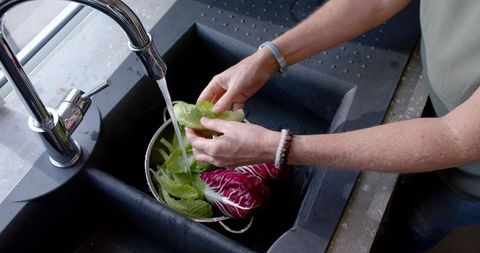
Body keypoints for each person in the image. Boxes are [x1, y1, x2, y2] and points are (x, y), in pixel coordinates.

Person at [185, 0, 480, 251]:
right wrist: (269, 57)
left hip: (472, 177)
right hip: (446, 111)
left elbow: (455, 137)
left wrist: (276, 147)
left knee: (419, 223)